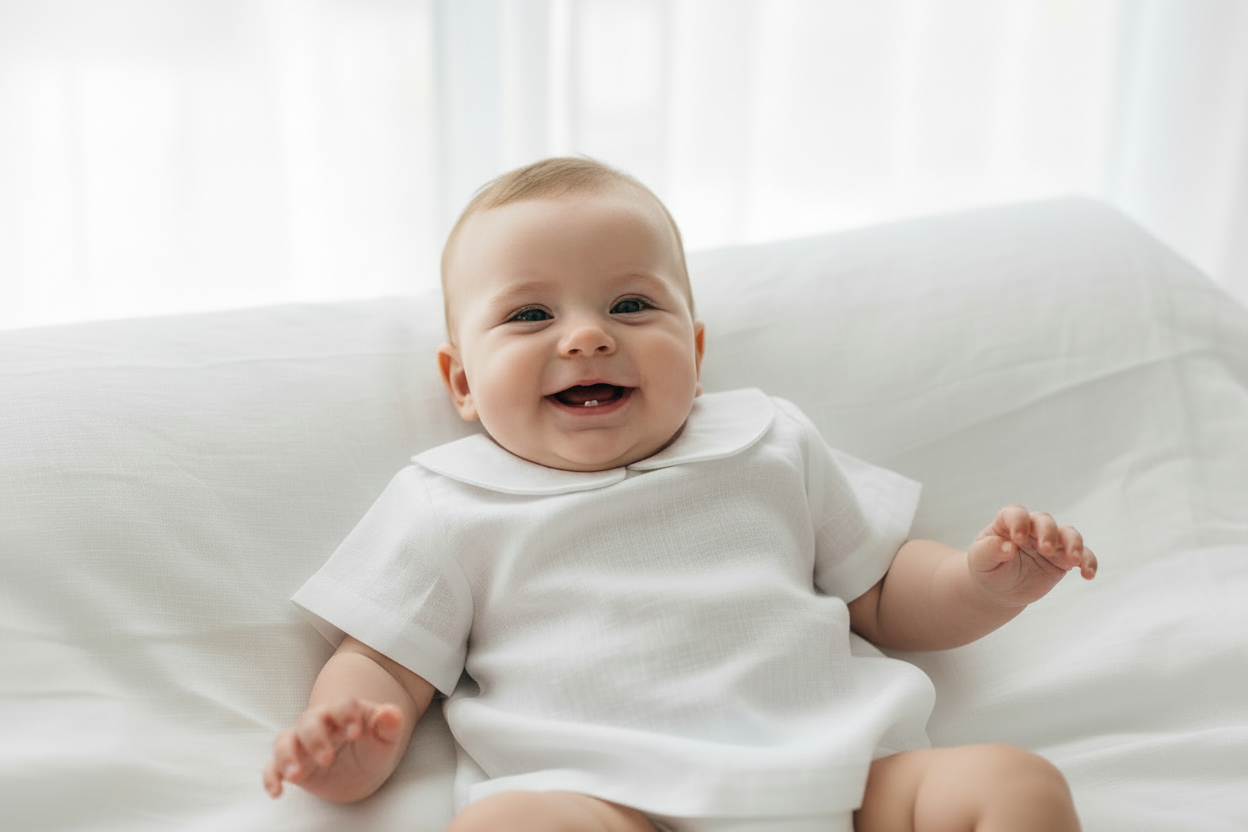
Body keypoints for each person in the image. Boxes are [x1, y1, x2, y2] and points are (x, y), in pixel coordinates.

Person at [262, 157, 1097, 832]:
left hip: (849, 776)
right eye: (528, 316)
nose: (587, 335)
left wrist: (983, 585)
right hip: (610, 799)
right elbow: (381, 659)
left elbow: (879, 590)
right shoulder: (448, 498)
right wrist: (348, 738)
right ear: (462, 382)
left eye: (631, 304)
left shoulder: (765, 439)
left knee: (1014, 783)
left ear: (696, 351)